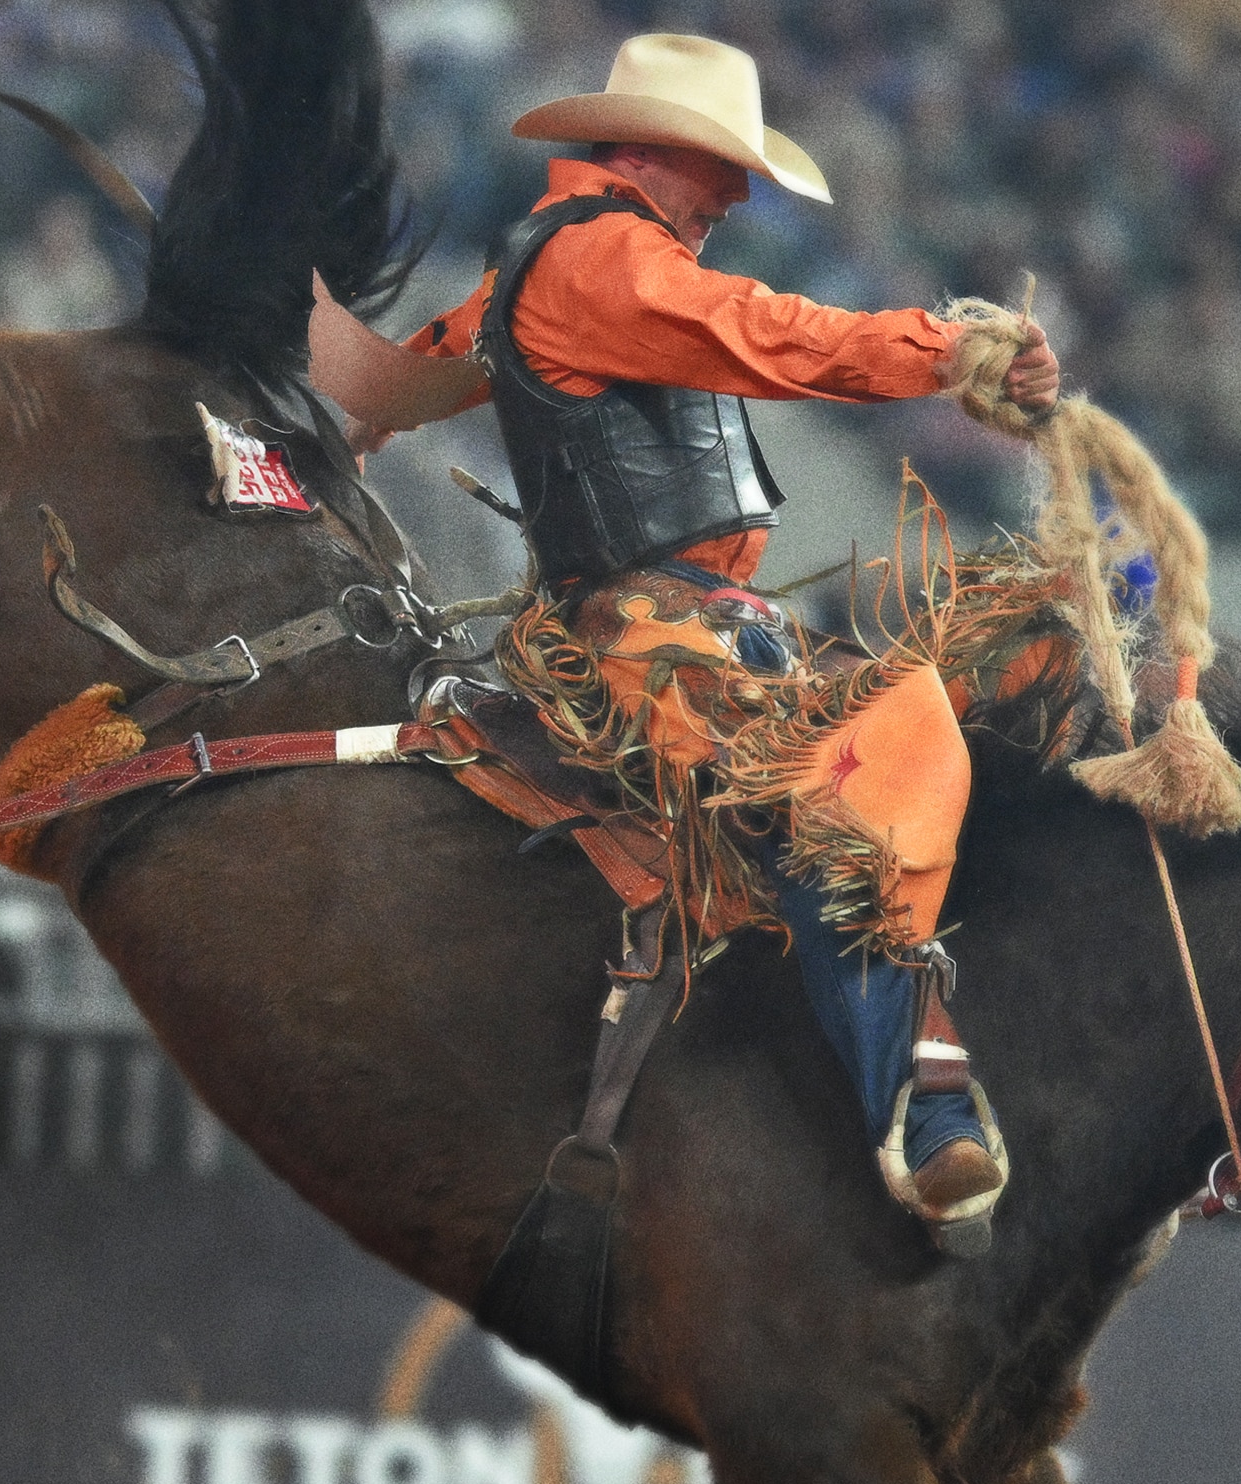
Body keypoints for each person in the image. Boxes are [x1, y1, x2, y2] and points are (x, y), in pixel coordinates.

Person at [369, 33, 1060, 1249]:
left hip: (706, 621)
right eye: (720, 168)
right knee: (829, 789)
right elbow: (767, 331)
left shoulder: (571, 261)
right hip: (649, 629)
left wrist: (346, 407)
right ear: (652, 154)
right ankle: (920, 1101)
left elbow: (423, 370)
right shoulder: (606, 262)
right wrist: (942, 350)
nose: (737, 198)